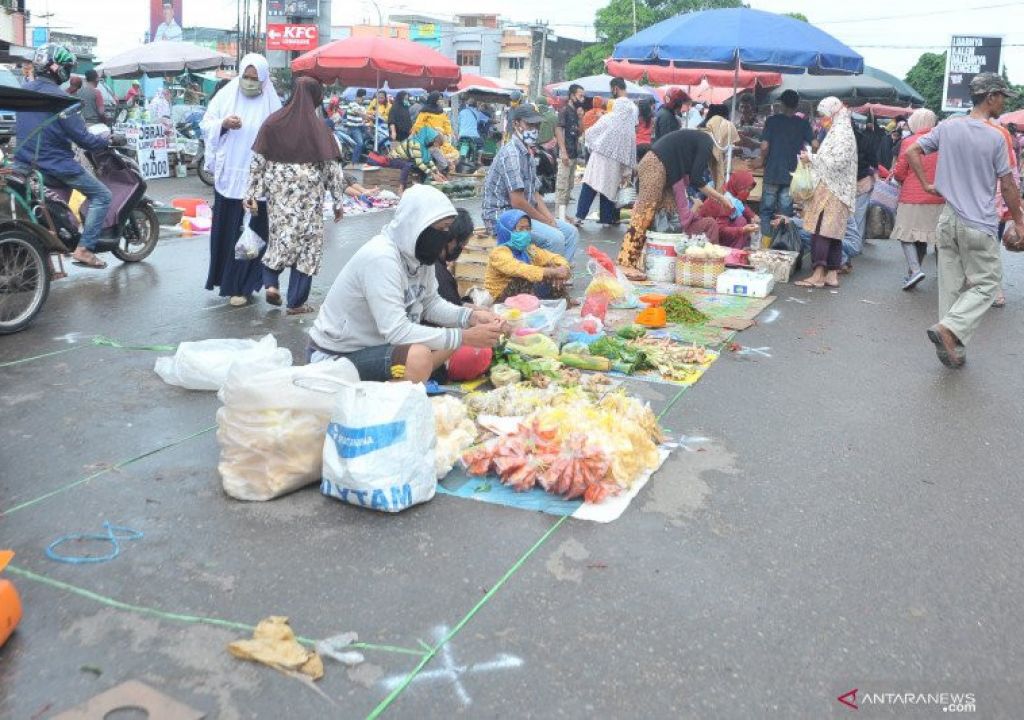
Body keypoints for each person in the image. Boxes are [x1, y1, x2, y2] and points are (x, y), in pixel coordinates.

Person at [308, 185, 506, 383]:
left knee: (439, 345)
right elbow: (396, 331)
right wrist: (464, 337)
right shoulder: (381, 258)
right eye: (441, 228)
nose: (445, 236)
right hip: (337, 356)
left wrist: (470, 317)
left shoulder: (419, 257)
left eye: (447, 228)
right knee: (417, 357)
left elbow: (430, 303)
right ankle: (371, 406)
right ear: (416, 225)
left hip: (376, 348)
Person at [908, 73, 1024, 368]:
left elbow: (913, 151)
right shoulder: (998, 135)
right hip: (979, 223)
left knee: (950, 286)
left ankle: (954, 349)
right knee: (988, 283)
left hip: (948, 219)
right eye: (1001, 96)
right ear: (990, 97)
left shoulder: (948, 126)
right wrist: (1020, 221)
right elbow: (1008, 184)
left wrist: (926, 183)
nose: (1002, 103)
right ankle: (949, 330)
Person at [245, 77, 346, 315]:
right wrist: (338, 202)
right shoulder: (320, 128)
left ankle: (271, 284)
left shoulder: (272, 123)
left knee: (280, 238)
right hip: (309, 198)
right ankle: (296, 303)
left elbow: (257, 161)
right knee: (308, 247)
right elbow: (333, 169)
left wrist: (250, 193)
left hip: (279, 195)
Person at [15, 43, 112, 270]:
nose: (68, 74)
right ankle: (85, 249)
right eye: (67, 68)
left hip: (23, 162)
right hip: (55, 165)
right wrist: (106, 139)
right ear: (56, 69)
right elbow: (84, 140)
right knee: (103, 195)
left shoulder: (23, 92)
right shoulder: (62, 100)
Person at [201, 53, 281, 305]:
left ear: (264, 80)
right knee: (229, 233)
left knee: (253, 235)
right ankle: (229, 281)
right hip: (229, 179)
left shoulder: (271, 103)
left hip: (258, 181)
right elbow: (206, 124)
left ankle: (244, 286)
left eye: (254, 78)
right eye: (245, 77)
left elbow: (281, 138)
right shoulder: (226, 94)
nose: (248, 82)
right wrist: (223, 124)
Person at [617, 129, 729, 280]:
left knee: (668, 211)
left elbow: (690, 176)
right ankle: (625, 263)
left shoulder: (700, 140)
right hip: (654, 165)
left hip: (668, 173)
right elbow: (697, 180)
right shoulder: (706, 142)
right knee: (643, 215)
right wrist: (721, 198)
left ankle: (645, 261)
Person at [481, 103, 579, 262]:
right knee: (555, 239)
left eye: (536, 125)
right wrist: (546, 222)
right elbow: (517, 201)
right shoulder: (512, 153)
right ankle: (545, 282)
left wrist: (550, 219)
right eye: (529, 124)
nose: (534, 129)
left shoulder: (528, 152)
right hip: (503, 216)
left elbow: (535, 194)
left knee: (571, 233)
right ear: (516, 124)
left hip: (521, 215)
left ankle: (561, 276)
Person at [793, 97, 857, 289]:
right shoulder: (839, 130)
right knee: (834, 232)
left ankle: (818, 274)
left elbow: (837, 162)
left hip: (832, 187)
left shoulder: (842, 133)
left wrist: (811, 157)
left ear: (833, 112)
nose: (821, 119)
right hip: (837, 188)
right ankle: (831, 274)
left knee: (821, 230)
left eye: (823, 115)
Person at [889, 108, 942, 290]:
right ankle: (941, 275)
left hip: (912, 197)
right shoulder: (942, 142)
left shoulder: (910, 141)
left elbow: (901, 170)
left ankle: (915, 269)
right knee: (936, 238)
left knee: (908, 235)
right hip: (939, 197)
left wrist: (895, 176)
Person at [572, 96, 637, 228]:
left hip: (598, 160)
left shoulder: (608, 118)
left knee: (589, 187)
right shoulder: (629, 129)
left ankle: (579, 217)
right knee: (609, 190)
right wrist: (626, 171)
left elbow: (590, 133)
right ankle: (606, 219)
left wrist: (595, 145)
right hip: (615, 165)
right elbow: (629, 152)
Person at [485, 209, 572, 302]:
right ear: (506, 231)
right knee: (529, 277)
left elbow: (554, 257)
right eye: (520, 229)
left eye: (527, 229)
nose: (525, 233)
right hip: (500, 298)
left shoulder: (528, 249)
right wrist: (553, 272)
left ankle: (561, 302)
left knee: (551, 267)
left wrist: (563, 268)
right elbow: (521, 269)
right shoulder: (498, 253)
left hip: (522, 295)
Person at [759, 89, 813, 237]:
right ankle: (781, 243)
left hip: (772, 172)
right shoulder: (803, 124)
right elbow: (815, 144)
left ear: (782, 104)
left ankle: (766, 242)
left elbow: (764, 146)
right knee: (785, 213)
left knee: (766, 211)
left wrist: (760, 161)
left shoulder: (772, 121)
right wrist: (810, 159)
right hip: (792, 175)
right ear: (797, 105)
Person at [839, 114, 879, 272]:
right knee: (858, 216)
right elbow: (873, 160)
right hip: (863, 180)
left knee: (844, 216)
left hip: (843, 183)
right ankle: (856, 245)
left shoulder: (838, 140)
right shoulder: (865, 138)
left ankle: (845, 245)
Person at [697, 171, 759, 249]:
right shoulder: (725, 199)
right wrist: (742, 230)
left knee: (744, 221)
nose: (748, 193)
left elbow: (743, 207)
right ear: (738, 186)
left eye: (750, 190)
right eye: (747, 190)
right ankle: (732, 255)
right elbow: (720, 229)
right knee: (741, 222)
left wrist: (753, 216)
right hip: (706, 236)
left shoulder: (733, 194)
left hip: (717, 230)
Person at [555, 83, 585, 223]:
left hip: (574, 153)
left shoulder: (575, 112)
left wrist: (580, 118)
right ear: (572, 95)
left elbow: (580, 132)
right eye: (580, 95)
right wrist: (563, 152)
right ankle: (558, 216)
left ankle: (563, 214)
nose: (582, 98)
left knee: (569, 186)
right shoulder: (564, 111)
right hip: (565, 153)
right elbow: (558, 130)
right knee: (562, 185)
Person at [434, 208, 476, 307]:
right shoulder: (440, 275)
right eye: (463, 243)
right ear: (452, 237)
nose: (463, 247)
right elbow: (449, 312)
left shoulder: (434, 264)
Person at [410, 92, 459, 170]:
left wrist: (449, 133)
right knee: (441, 158)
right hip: (430, 140)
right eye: (439, 99)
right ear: (434, 99)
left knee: (454, 156)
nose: (441, 101)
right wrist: (432, 132)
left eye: (441, 99)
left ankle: (442, 173)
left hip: (441, 139)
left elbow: (447, 124)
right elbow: (418, 126)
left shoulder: (442, 112)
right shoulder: (424, 112)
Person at [699, 104, 741, 189]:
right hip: (710, 166)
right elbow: (720, 148)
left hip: (702, 166)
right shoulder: (718, 128)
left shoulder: (703, 126)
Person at [343, 89, 368, 163]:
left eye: (364, 99)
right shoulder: (352, 104)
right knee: (360, 143)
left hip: (361, 127)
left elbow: (364, 118)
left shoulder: (363, 107)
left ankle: (362, 157)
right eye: (362, 98)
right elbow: (356, 111)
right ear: (358, 97)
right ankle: (354, 162)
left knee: (369, 139)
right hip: (353, 128)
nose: (363, 100)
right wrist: (364, 115)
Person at [457, 98, 484, 163]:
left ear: (467, 105)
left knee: (458, 147)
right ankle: (478, 161)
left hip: (462, 135)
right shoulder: (477, 113)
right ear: (475, 106)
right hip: (473, 136)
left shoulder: (461, 112)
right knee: (481, 144)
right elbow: (478, 122)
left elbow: (459, 123)